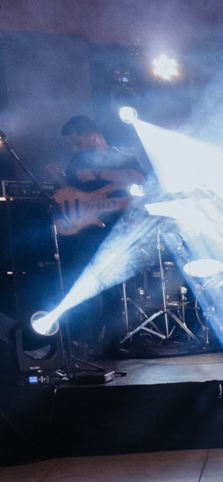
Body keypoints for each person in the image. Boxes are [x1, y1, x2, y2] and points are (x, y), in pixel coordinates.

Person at [46, 115, 147, 353]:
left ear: (93, 137)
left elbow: (139, 177)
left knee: (113, 288)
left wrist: (97, 173)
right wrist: (57, 177)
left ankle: (112, 343)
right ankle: (83, 342)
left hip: (116, 229)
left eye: (78, 143)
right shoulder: (77, 161)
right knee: (87, 285)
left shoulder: (122, 156)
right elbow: (69, 192)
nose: (75, 148)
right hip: (86, 232)